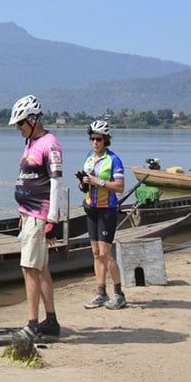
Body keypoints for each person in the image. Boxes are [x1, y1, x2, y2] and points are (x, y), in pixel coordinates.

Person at [9, 95, 64, 339]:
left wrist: (52, 218)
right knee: (40, 268)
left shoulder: (49, 144)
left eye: (21, 123)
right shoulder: (30, 142)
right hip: (28, 214)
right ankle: (50, 321)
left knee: (29, 267)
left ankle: (32, 323)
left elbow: (55, 182)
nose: (19, 128)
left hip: (40, 215)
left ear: (33, 119)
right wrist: (22, 212)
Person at [79, 120, 127, 310]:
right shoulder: (89, 158)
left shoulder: (114, 160)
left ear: (106, 140)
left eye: (99, 139)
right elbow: (87, 181)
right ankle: (100, 292)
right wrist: (83, 184)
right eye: (92, 139)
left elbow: (120, 187)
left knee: (106, 254)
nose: (95, 143)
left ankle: (119, 294)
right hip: (92, 209)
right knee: (96, 253)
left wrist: (97, 181)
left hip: (107, 210)